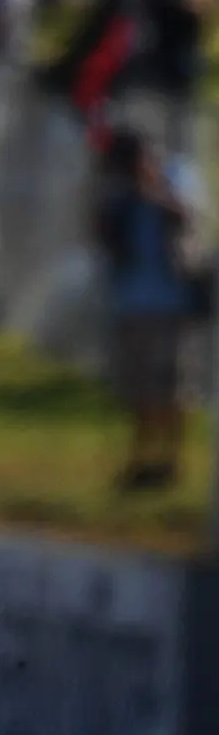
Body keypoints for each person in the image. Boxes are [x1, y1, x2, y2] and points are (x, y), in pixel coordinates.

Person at [95, 130, 204, 490]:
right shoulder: (120, 199)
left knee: (172, 386)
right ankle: (141, 461)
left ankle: (170, 462)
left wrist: (155, 191)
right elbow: (103, 236)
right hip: (132, 304)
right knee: (139, 389)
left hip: (170, 304)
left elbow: (189, 220)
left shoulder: (176, 180)